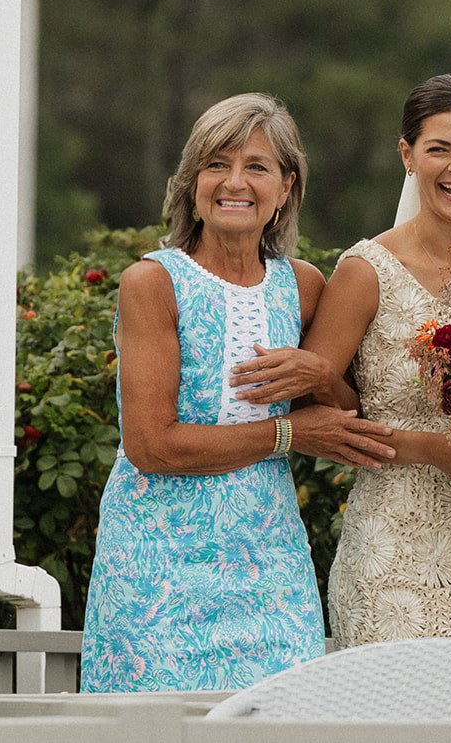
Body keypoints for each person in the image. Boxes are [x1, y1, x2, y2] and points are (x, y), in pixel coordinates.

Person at [257, 74, 451, 709]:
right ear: (407, 155)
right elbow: (322, 418)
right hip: (396, 550)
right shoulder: (365, 271)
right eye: (438, 149)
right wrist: (432, 449)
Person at [80, 93, 397, 692]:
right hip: (157, 565)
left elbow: (344, 418)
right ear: (191, 183)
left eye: (257, 166)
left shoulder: (303, 286)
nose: (234, 182)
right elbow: (152, 446)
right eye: (216, 163)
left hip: (270, 560)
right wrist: (288, 434)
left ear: (286, 188)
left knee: (282, 720)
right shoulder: (152, 282)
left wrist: (322, 378)